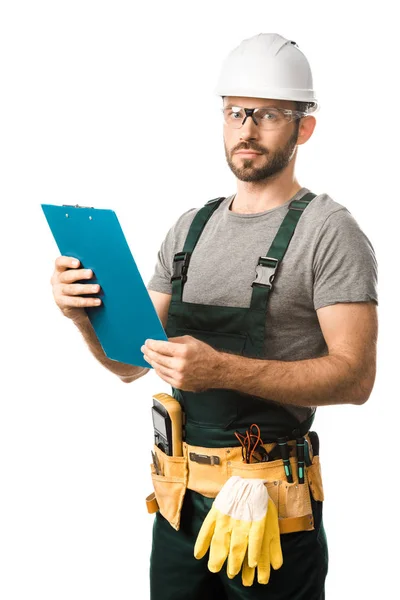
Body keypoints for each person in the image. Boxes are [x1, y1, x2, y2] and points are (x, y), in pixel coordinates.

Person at [50, 33, 378, 599]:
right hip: (180, 500)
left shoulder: (329, 231)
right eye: (235, 112)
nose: (247, 130)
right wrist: (81, 315)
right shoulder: (188, 229)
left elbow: (356, 378)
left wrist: (221, 369)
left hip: (269, 505)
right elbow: (132, 364)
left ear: (304, 127)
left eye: (268, 114)